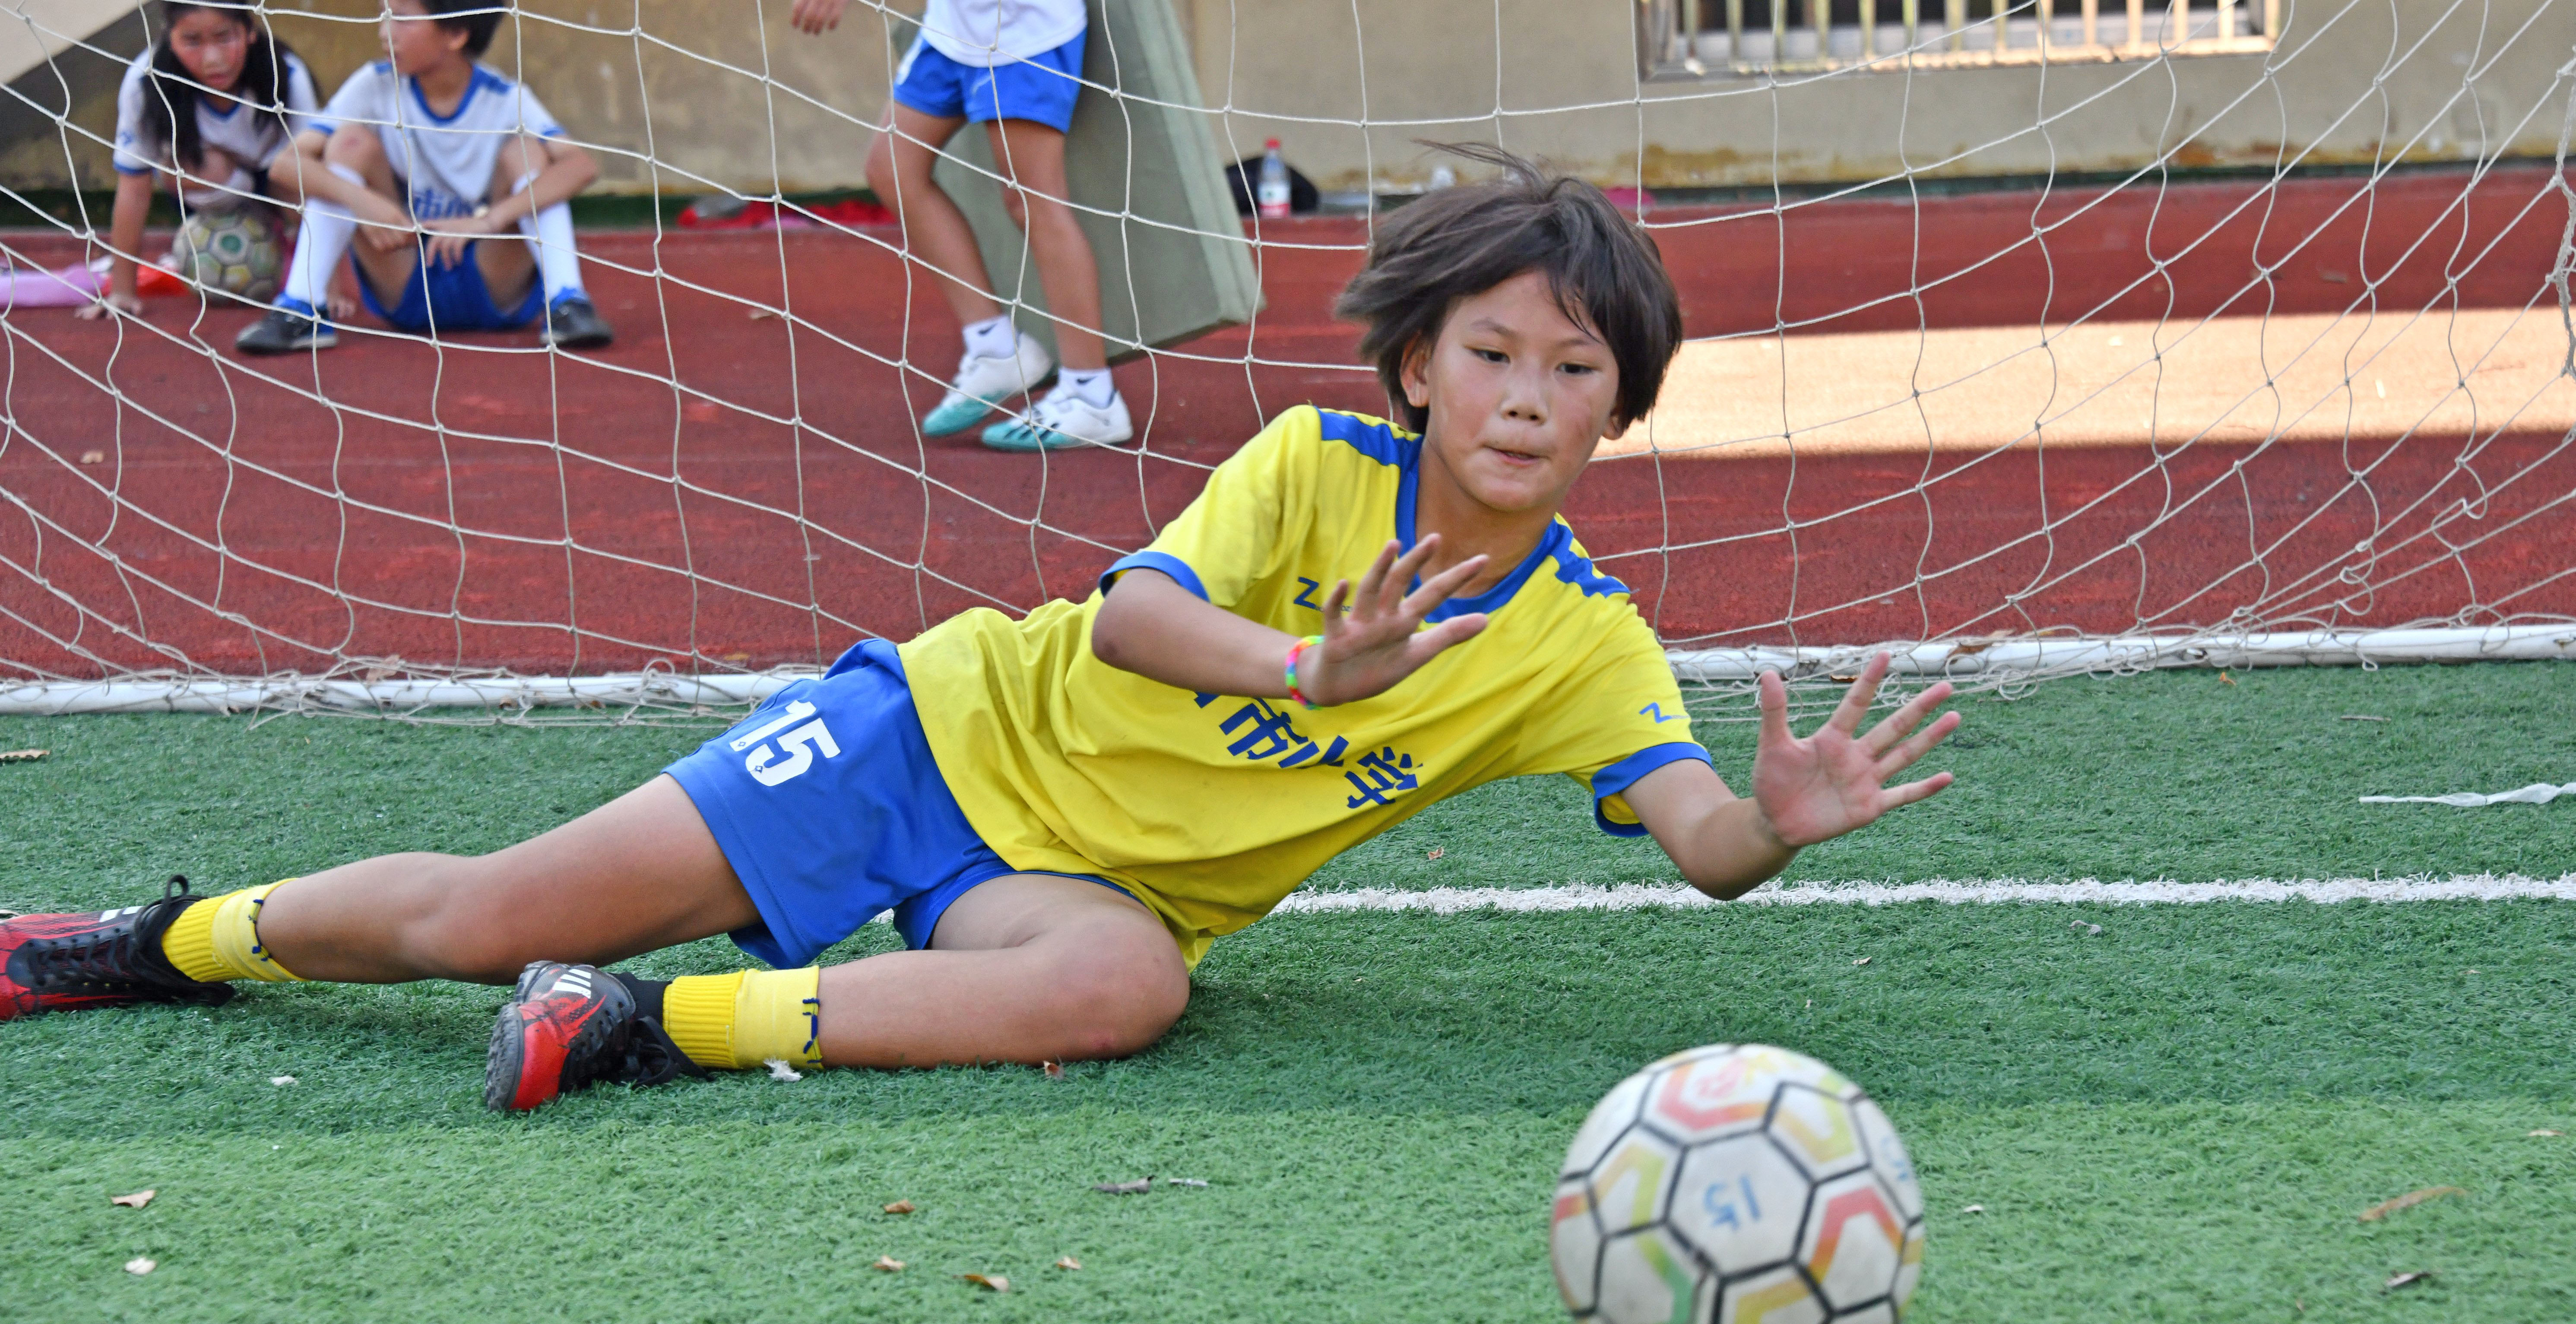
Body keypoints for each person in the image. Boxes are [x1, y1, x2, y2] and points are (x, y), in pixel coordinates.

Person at [0, 152, 1959, 1115]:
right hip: (932, 738)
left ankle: (646, 1031)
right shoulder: (1304, 463)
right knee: (491, 912)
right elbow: (1133, 624)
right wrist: (1312, 672)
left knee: (1127, 993)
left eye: (1577, 366)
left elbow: (1698, 837)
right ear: (1419, 367)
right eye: (1494, 352)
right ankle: (162, 939)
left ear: (1621, 406)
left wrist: (1779, 813)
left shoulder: (1583, 643)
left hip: (1082, 892)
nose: (1531, 392)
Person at [792, 0, 1129, 451]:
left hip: (1023, 31)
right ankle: (994, 348)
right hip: (955, 27)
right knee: (892, 168)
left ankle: (1092, 397)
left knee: (1031, 202)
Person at [234, 0, 611, 355]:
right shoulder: (374, 84)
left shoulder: (504, 97)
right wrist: (364, 201)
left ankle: (567, 302)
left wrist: (486, 221)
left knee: (527, 152)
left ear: (455, 35)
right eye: (384, 15)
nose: (385, 32)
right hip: (403, 267)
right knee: (348, 144)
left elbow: (581, 166)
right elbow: (285, 165)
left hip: (492, 277)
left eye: (401, 18)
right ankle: (302, 310)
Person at [78, 0, 321, 321]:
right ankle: (199, 238)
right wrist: (122, 290)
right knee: (197, 167)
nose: (213, 59)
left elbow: (316, 174)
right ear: (170, 37)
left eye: (224, 38)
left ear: (249, 31)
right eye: (192, 41)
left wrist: (326, 286)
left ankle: (296, 254)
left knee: (301, 177)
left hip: (278, 186)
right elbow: (134, 189)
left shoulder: (286, 72)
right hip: (202, 188)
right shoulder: (145, 81)